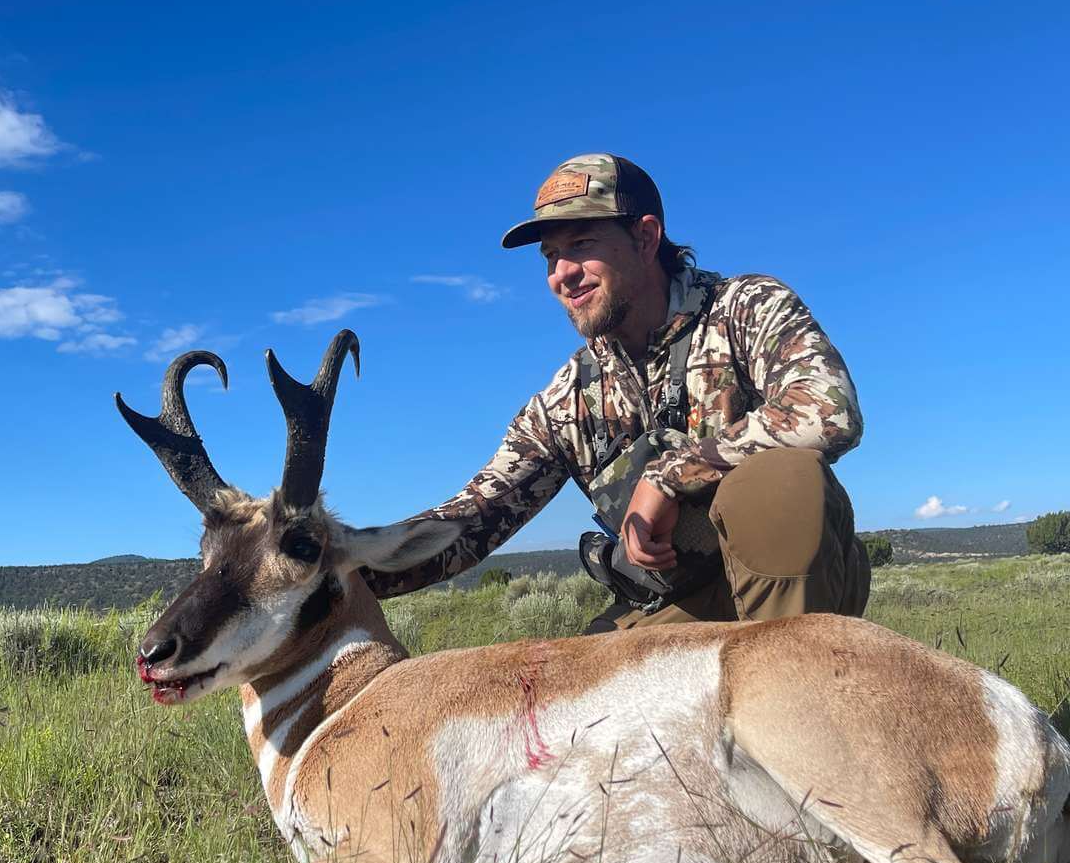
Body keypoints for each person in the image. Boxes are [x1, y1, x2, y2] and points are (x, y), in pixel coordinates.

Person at [362, 153, 870, 630]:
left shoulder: (745, 307)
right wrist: (337, 562)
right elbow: (474, 518)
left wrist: (668, 477)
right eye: (550, 256)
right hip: (676, 599)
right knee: (566, 690)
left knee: (782, 477)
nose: (562, 274)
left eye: (581, 244)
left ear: (645, 237)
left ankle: (793, 682)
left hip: (794, 590)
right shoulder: (567, 399)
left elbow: (828, 410)